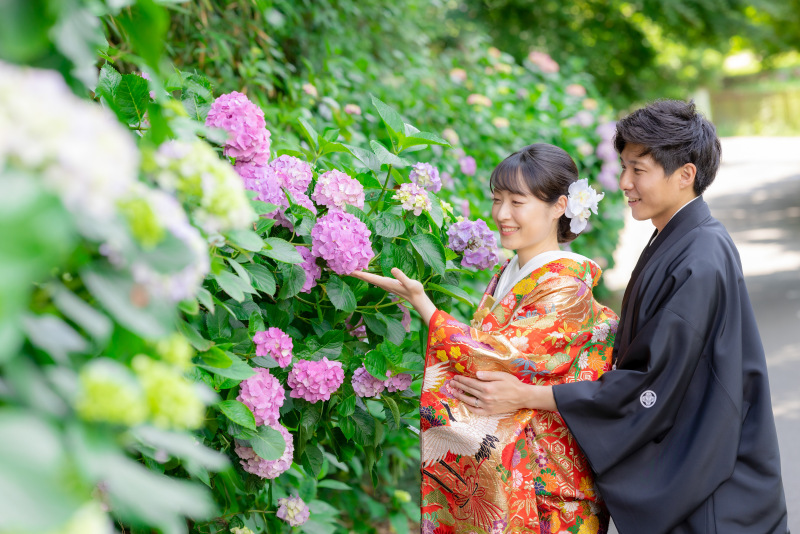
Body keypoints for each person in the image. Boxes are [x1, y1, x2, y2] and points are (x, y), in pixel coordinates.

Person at [451, 100, 790, 533]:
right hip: (704, 464)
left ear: (685, 175)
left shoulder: (699, 258)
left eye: (638, 170)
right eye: (624, 168)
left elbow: (651, 382)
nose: (625, 183)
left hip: (712, 482)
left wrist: (530, 395)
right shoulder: (682, 241)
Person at [353, 143, 618, 533]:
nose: (501, 214)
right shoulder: (515, 271)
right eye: (497, 199)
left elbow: (500, 359)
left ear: (560, 205)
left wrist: (424, 306)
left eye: (517, 201)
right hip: (518, 470)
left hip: (547, 485)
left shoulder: (566, 286)